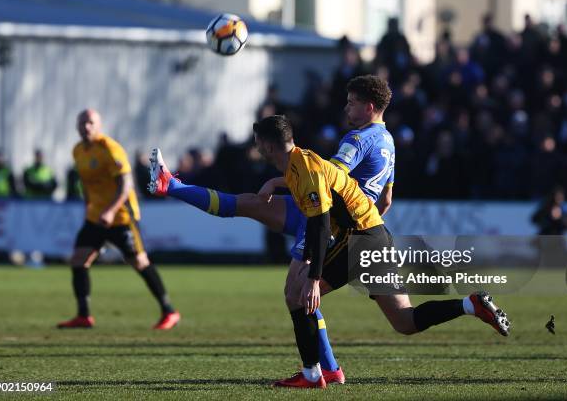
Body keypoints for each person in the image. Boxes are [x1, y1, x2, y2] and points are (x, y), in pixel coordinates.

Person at [149, 75, 397, 384]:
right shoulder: (388, 142)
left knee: (298, 291)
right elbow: (385, 199)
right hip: (349, 222)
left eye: (351, 102)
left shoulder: (359, 139)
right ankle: (171, 184)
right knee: (248, 205)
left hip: (325, 216)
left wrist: (285, 186)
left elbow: (326, 174)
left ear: (369, 106)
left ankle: (320, 371)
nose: (345, 108)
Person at [251, 115, 510, 389]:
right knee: (404, 321)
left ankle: (313, 374)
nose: (255, 147)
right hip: (377, 235)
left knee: (297, 294)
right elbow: (315, 182)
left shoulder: (305, 168)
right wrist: (274, 183)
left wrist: (314, 278)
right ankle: (470, 305)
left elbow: (320, 222)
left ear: (267, 146)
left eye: (257, 142)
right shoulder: (301, 162)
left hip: (360, 238)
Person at [57, 109, 180, 329]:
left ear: (98, 125)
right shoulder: (78, 151)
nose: (87, 127)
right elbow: (86, 183)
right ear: (77, 126)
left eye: (91, 123)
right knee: (78, 260)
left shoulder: (110, 149)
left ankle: (169, 311)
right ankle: (84, 316)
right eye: (83, 122)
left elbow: (126, 185)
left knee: (139, 262)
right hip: (96, 217)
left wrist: (111, 211)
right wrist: (90, 207)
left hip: (121, 216)